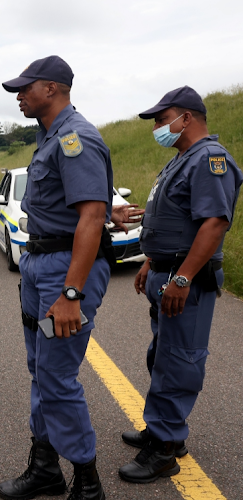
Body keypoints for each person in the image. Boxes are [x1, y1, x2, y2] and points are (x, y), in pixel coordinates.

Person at [0, 56, 114, 500]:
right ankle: (46, 467)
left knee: (57, 377)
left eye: (25, 89)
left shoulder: (74, 136)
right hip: (41, 262)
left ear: (52, 88)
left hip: (65, 272)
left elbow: (91, 216)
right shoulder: (50, 136)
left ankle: (87, 481)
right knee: (41, 370)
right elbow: (78, 206)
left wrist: (70, 293)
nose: (20, 97)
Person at [118, 86, 242, 483]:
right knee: (162, 355)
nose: (157, 127)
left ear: (186, 118)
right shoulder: (181, 160)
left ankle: (166, 448)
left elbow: (215, 223)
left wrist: (183, 276)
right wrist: (150, 262)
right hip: (166, 272)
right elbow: (177, 222)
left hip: (184, 278)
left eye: (161, 118)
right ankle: (160, 428)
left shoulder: (209, 159)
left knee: (179, 362)